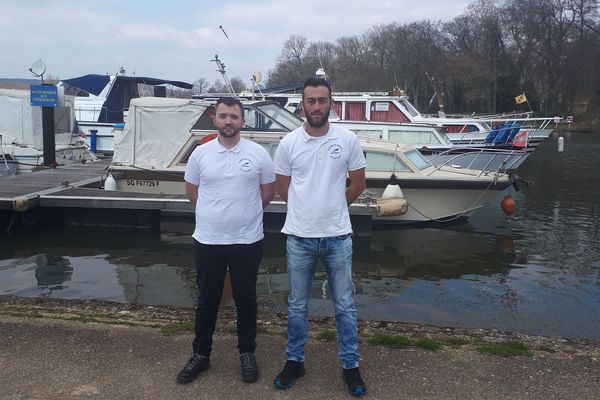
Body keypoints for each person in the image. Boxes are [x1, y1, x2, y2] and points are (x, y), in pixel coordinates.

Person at [273, 78, 367, 396]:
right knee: (298, 305)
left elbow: (357, 184)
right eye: (310, 101)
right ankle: (295, 360)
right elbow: (282, 186)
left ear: (331, 104)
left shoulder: (348, 139)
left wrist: (333, 208)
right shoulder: (288, 144)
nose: (316, 106)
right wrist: (305, 210)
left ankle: (350, 366)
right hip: (299, 237)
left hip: (338, 237)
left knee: (345, 305)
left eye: (321, 100)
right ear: (302, 105)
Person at [177, 97, 275, 384]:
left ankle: (247, 352)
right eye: (223, 116)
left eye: (234, 116)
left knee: (246, 299)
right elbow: (192, 192)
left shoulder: (259, 154)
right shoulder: (200, 154)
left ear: (243, 121)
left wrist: (242, 214)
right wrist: (214, 214)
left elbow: (267, 194)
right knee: (207, 299)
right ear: (215, 119)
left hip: (247, 240)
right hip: (208, 240)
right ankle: (201, 355)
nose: (228, 121)